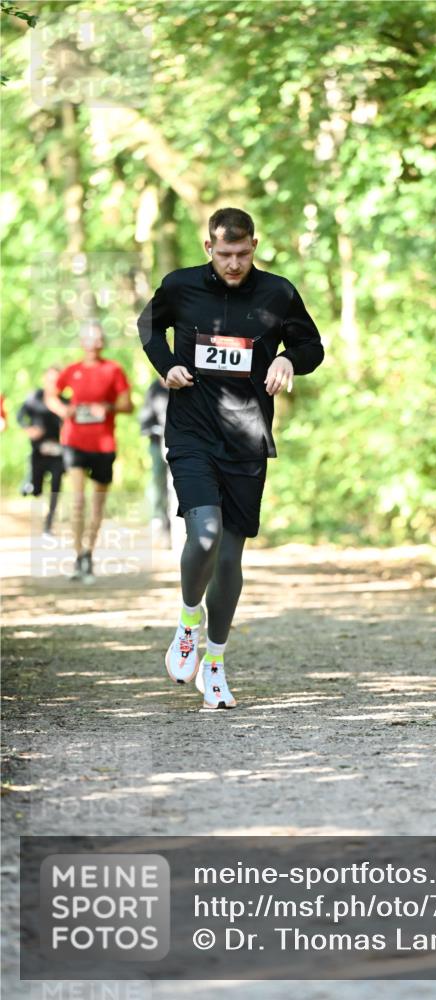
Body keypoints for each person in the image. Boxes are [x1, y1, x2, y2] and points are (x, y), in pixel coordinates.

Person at [137, 206, 324, 711]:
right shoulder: (180, 286)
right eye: (225, 254)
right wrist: (168, 364)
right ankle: (186, 621)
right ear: (209, 249)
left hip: (247, 437)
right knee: (204, 531)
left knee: (229, 557)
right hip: (192, 431)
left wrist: (288, 358)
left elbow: (312, 345)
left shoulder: (278, 293)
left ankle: (214, 665)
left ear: (254, 247)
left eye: (243, 254)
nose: (234, 263)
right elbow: (149, 327)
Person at [45, 321, 133, 583]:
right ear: (82, 343)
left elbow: (128, 405)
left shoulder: (113, 370)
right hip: (74, 441)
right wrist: (64, 411)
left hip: (104, 444)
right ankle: (77, 556)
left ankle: (88, 554)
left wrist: (108, 408)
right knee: (78, 500)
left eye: (98, 339)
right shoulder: (72, 370)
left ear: (103, 342)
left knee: (97, 504)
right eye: (89, 339)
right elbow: (51, 396)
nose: (94, 343)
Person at [17, 367, 65, 536]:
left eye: (57, 380)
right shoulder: (34, 398)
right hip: (38, 451)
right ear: (45, 380)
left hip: (58, 453)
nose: (53, 384)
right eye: (50, 380)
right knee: (36, 489)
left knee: (56, 487)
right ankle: (29, 481)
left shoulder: (64, 402)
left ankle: (48, 523)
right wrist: (28, 428)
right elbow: (20, 415)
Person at [139, 376, 173, 547]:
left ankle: (180, 529)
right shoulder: (154, 388)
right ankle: (159, 522)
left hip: (182, 443)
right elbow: (145, 415)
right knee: (158, 482)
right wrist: (150, 429)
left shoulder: (187, 382)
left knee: (178, 485)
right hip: (158, 441)